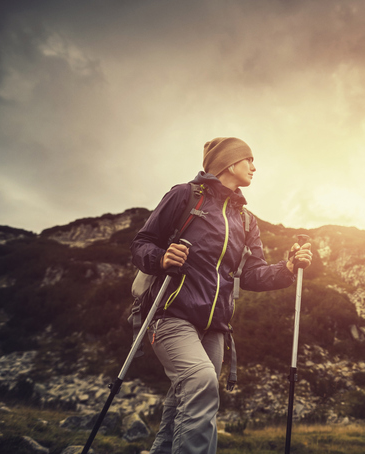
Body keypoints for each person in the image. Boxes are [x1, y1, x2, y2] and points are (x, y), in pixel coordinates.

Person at [130, 137, 312, 454]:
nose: (255, 167)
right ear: (229, 163)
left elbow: (252, 274)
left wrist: (288, 266)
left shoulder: (246, 220)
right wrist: (161, 257)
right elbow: (142, 243)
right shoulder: (185, 196)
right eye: (249, 160)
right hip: (171, 315)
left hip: (215, 328)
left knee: (187, 399)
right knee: (201, 382)